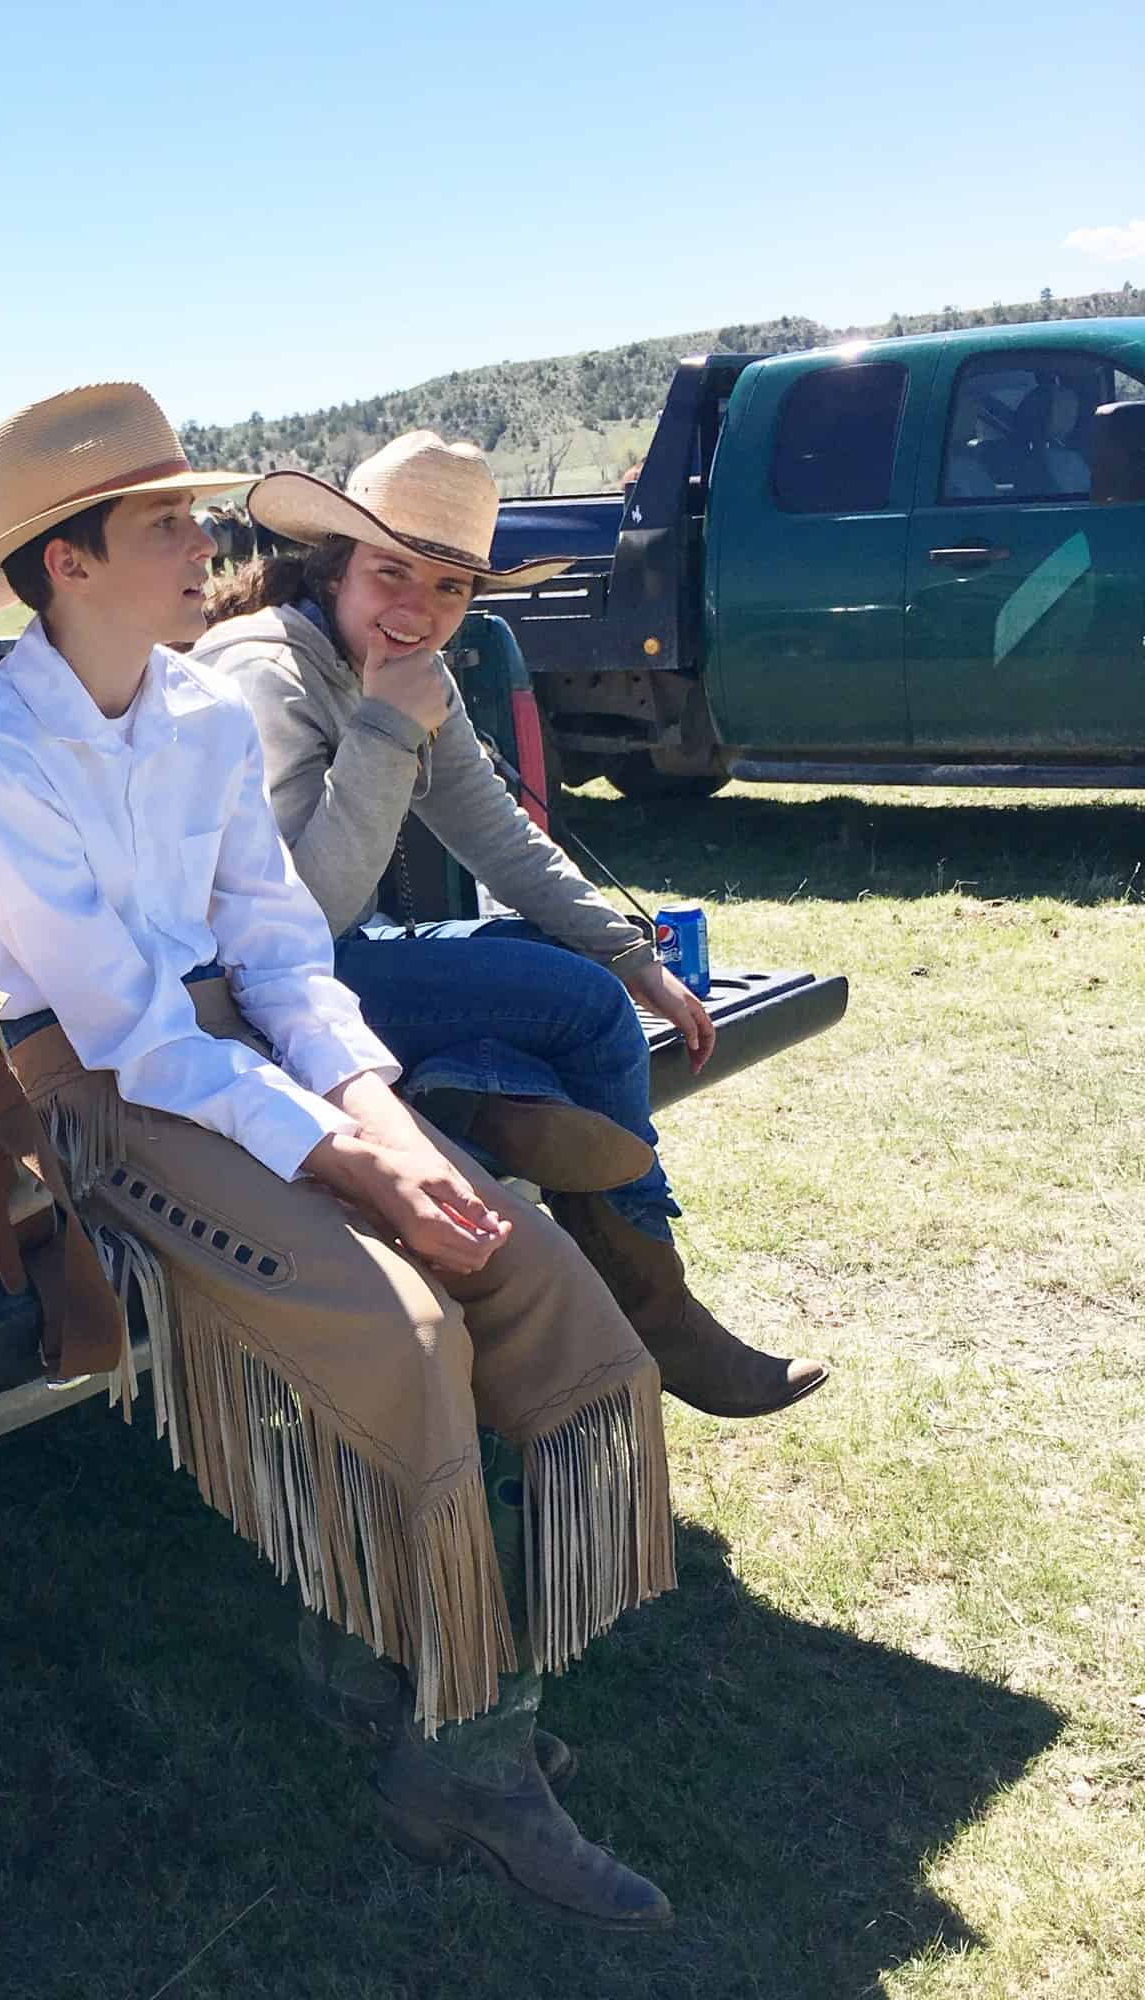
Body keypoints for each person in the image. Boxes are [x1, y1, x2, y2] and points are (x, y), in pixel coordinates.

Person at [0, 383, 680, 1932]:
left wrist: (380, 1116)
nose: (206, 544)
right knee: (390, 1324)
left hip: (227, 1052)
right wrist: (355, 1164)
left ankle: (406, 1663)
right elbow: (132, 1041)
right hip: (77, 1082)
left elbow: (277, 950)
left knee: (524, 1263)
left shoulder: (192, 712)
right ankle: (459, 1750)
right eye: (166, 524)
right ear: (69, 563)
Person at [189, 432, 827, 1421]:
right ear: (333, 563)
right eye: (391, 572)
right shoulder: (262, 672)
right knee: (578, 1012)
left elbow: (498, 838)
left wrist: (628, 952)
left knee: (565, 978)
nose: (418, 609)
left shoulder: (399, 667)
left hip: (334, 968)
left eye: (448, 590)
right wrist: (388, 726)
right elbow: (292, 921)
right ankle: (655, 1310)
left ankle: (482, 1101)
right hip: (244, 994)